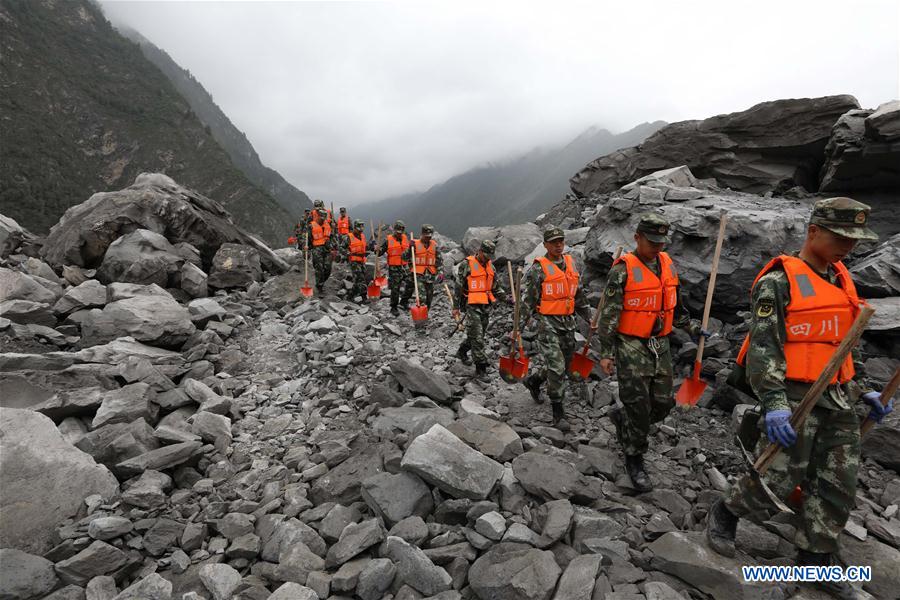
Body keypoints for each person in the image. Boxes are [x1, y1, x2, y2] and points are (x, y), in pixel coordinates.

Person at [706, 198, 889, 600]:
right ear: (813, 231)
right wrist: (773, 401)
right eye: (841, 237)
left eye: (855, 239)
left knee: (838, 481)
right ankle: (727, 510)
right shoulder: (778, 281)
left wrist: (864, 389)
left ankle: (815, 559)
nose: (849, 246)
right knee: (778, 475)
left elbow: (847, 343)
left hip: (838, 398)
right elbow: (764, 348)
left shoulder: (842, 279)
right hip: (793, 395)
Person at [596, 213, 705, 492]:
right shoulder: (622, 270)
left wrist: (692, 328)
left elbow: (674, 304)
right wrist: (606, 352)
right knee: (639, 405)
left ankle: (625, 420)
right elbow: (609, 315)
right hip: (631, 344)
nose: (657, 246)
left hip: (661, 343)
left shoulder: (667, 263)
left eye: (661, 241)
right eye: (651, 241)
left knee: (663, 403)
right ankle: (634, 457)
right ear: (637, 238)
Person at [521, 227, 593, 431]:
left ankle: (534, 380)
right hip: (548, 324)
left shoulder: (570, 264)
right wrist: (518, 327)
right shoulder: (538, 269)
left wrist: (588, 317)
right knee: (557, 367)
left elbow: (577, 295)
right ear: (545, 245)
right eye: (553, 242)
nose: (558, 244)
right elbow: (529, 300)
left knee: (565, 364)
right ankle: (557, 412)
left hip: (568, 323)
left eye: (560, 241)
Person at [454, 240, 506, 378]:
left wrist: (506, 298)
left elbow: (495, 287)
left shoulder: (491, 267)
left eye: (490, 255)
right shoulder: (467, 265)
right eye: (486, 254)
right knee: (477, 338)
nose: (488, 258)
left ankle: (462, 351)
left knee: (478, 335)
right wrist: (456, 307)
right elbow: (458, 287)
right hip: (471, 305)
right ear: (480, 251)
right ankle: (480, 369)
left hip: (485, 306)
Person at [376, 220, 413, 316]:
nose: (399, 234)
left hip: (404, 266)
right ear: (394, 230)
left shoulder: (406, 239)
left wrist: (413, 246)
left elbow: (410, 253)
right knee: (395, 288)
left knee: (411, 283)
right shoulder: (388, 240)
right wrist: (375, 247)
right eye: (397, 232)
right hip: (394, 268)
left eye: (401, 232)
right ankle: (394, 307)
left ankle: (404, 301)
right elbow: (379, 253)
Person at [413, 224, 444, 309]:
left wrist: (441, 272)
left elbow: (439, 261)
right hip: (419, 275)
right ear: (422, 234)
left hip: (430, 276)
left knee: (429, 298)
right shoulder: (414, 245)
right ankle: (421, 320)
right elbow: (404, 257)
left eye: (429, 236)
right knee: (422, 298)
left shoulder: (435, 246)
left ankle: (426, 313)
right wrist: (410, 248)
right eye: (426, 236)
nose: (428, 238)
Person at [307, 208, 334, 293]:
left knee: (328, 268)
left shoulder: (328, 225)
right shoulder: (311, 226)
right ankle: (320, 287)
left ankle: (321, 282)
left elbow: (332, 236)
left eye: (324, 217)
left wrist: (334, 247)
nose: (322, 219)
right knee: (319, 268)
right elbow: (307, 239)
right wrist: (307, 249)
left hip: (327, 249)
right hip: (317, 249)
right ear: (317, 216)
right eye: (321, 216)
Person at [343, 219, 368, 302]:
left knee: (361, 279)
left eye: (362, 227)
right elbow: (341, 247)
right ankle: (363, 297)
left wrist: (373, 246)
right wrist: (346, 252)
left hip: (362, 260)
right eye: (359, 228)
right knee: (360, 278)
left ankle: (350, 296)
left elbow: (365, 247)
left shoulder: (363, 236)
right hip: (354, 261)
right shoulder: (349, 237)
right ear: (355, 227)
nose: (360, 230)